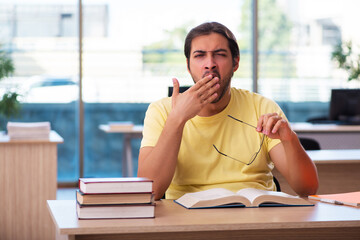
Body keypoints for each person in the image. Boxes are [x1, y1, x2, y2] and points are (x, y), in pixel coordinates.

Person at [138, 22, 318, 200]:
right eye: (200, 55)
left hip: (256, 216)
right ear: (188, 65)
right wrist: (177, 118)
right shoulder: (161, 110)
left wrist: (290, 139)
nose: (210, 64)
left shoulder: (263, 107)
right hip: (186, 219)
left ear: (235, 62)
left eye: (220, 54)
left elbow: (307, 189)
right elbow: (150, 191)